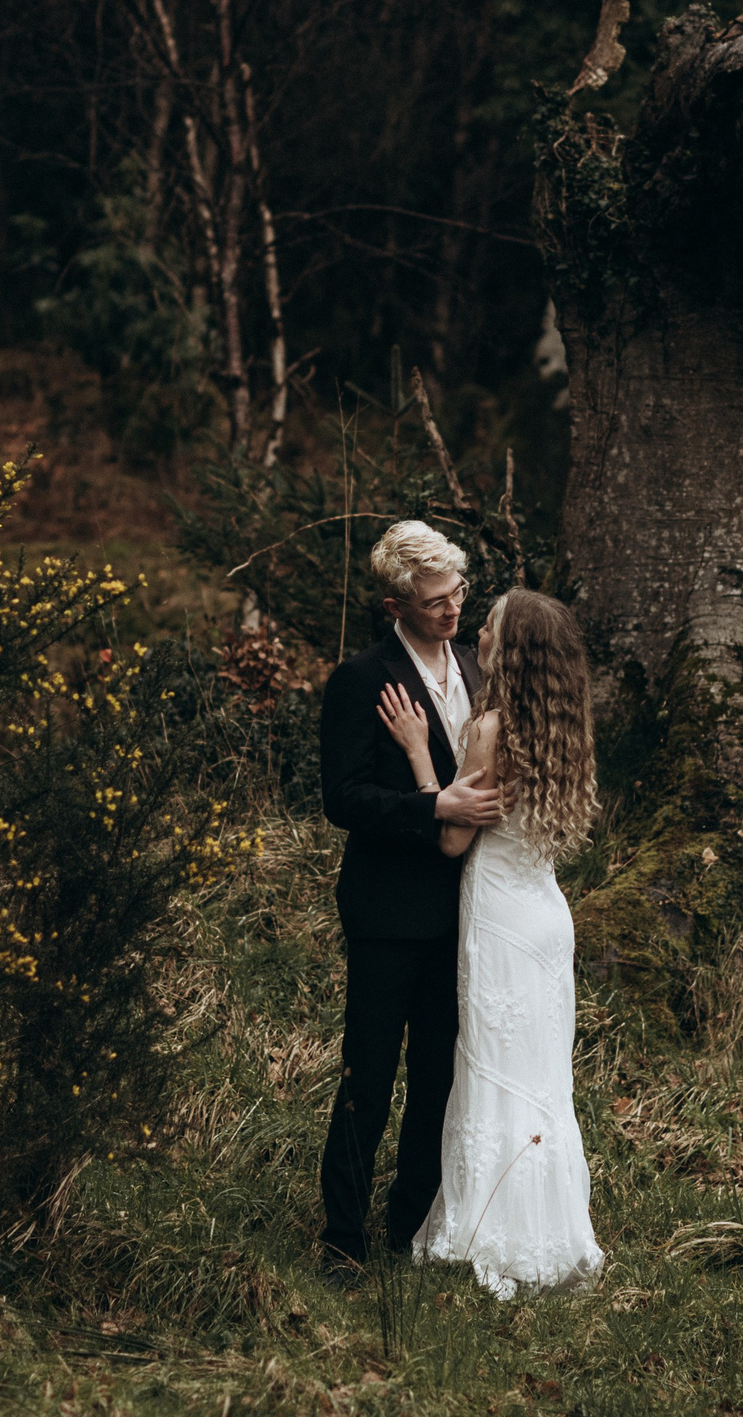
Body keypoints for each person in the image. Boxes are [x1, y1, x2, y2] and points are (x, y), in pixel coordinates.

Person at [378, 586, 605, 1299]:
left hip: (501, 918)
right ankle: (550, 1231)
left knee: (491, 1071)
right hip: (546, 916)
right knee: (539, 1080)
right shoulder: (560, 728)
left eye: (491, 623)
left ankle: (489, 1231)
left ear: (510, 650)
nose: (477, 629)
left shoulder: (491, 730)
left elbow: (451, 838)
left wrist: (420, 755)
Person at [315, 521, 504, 1279]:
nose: (453, 610)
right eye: (435, 602)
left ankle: (410, 1227)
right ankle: (342, 1239)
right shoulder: (362, 679)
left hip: (469, 911)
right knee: (369, 1071)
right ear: (397, 604)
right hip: (387, 911)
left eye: (459, 593)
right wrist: (434, 810)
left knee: (439, 1076)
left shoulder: (474, 665)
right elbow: (343, 799)